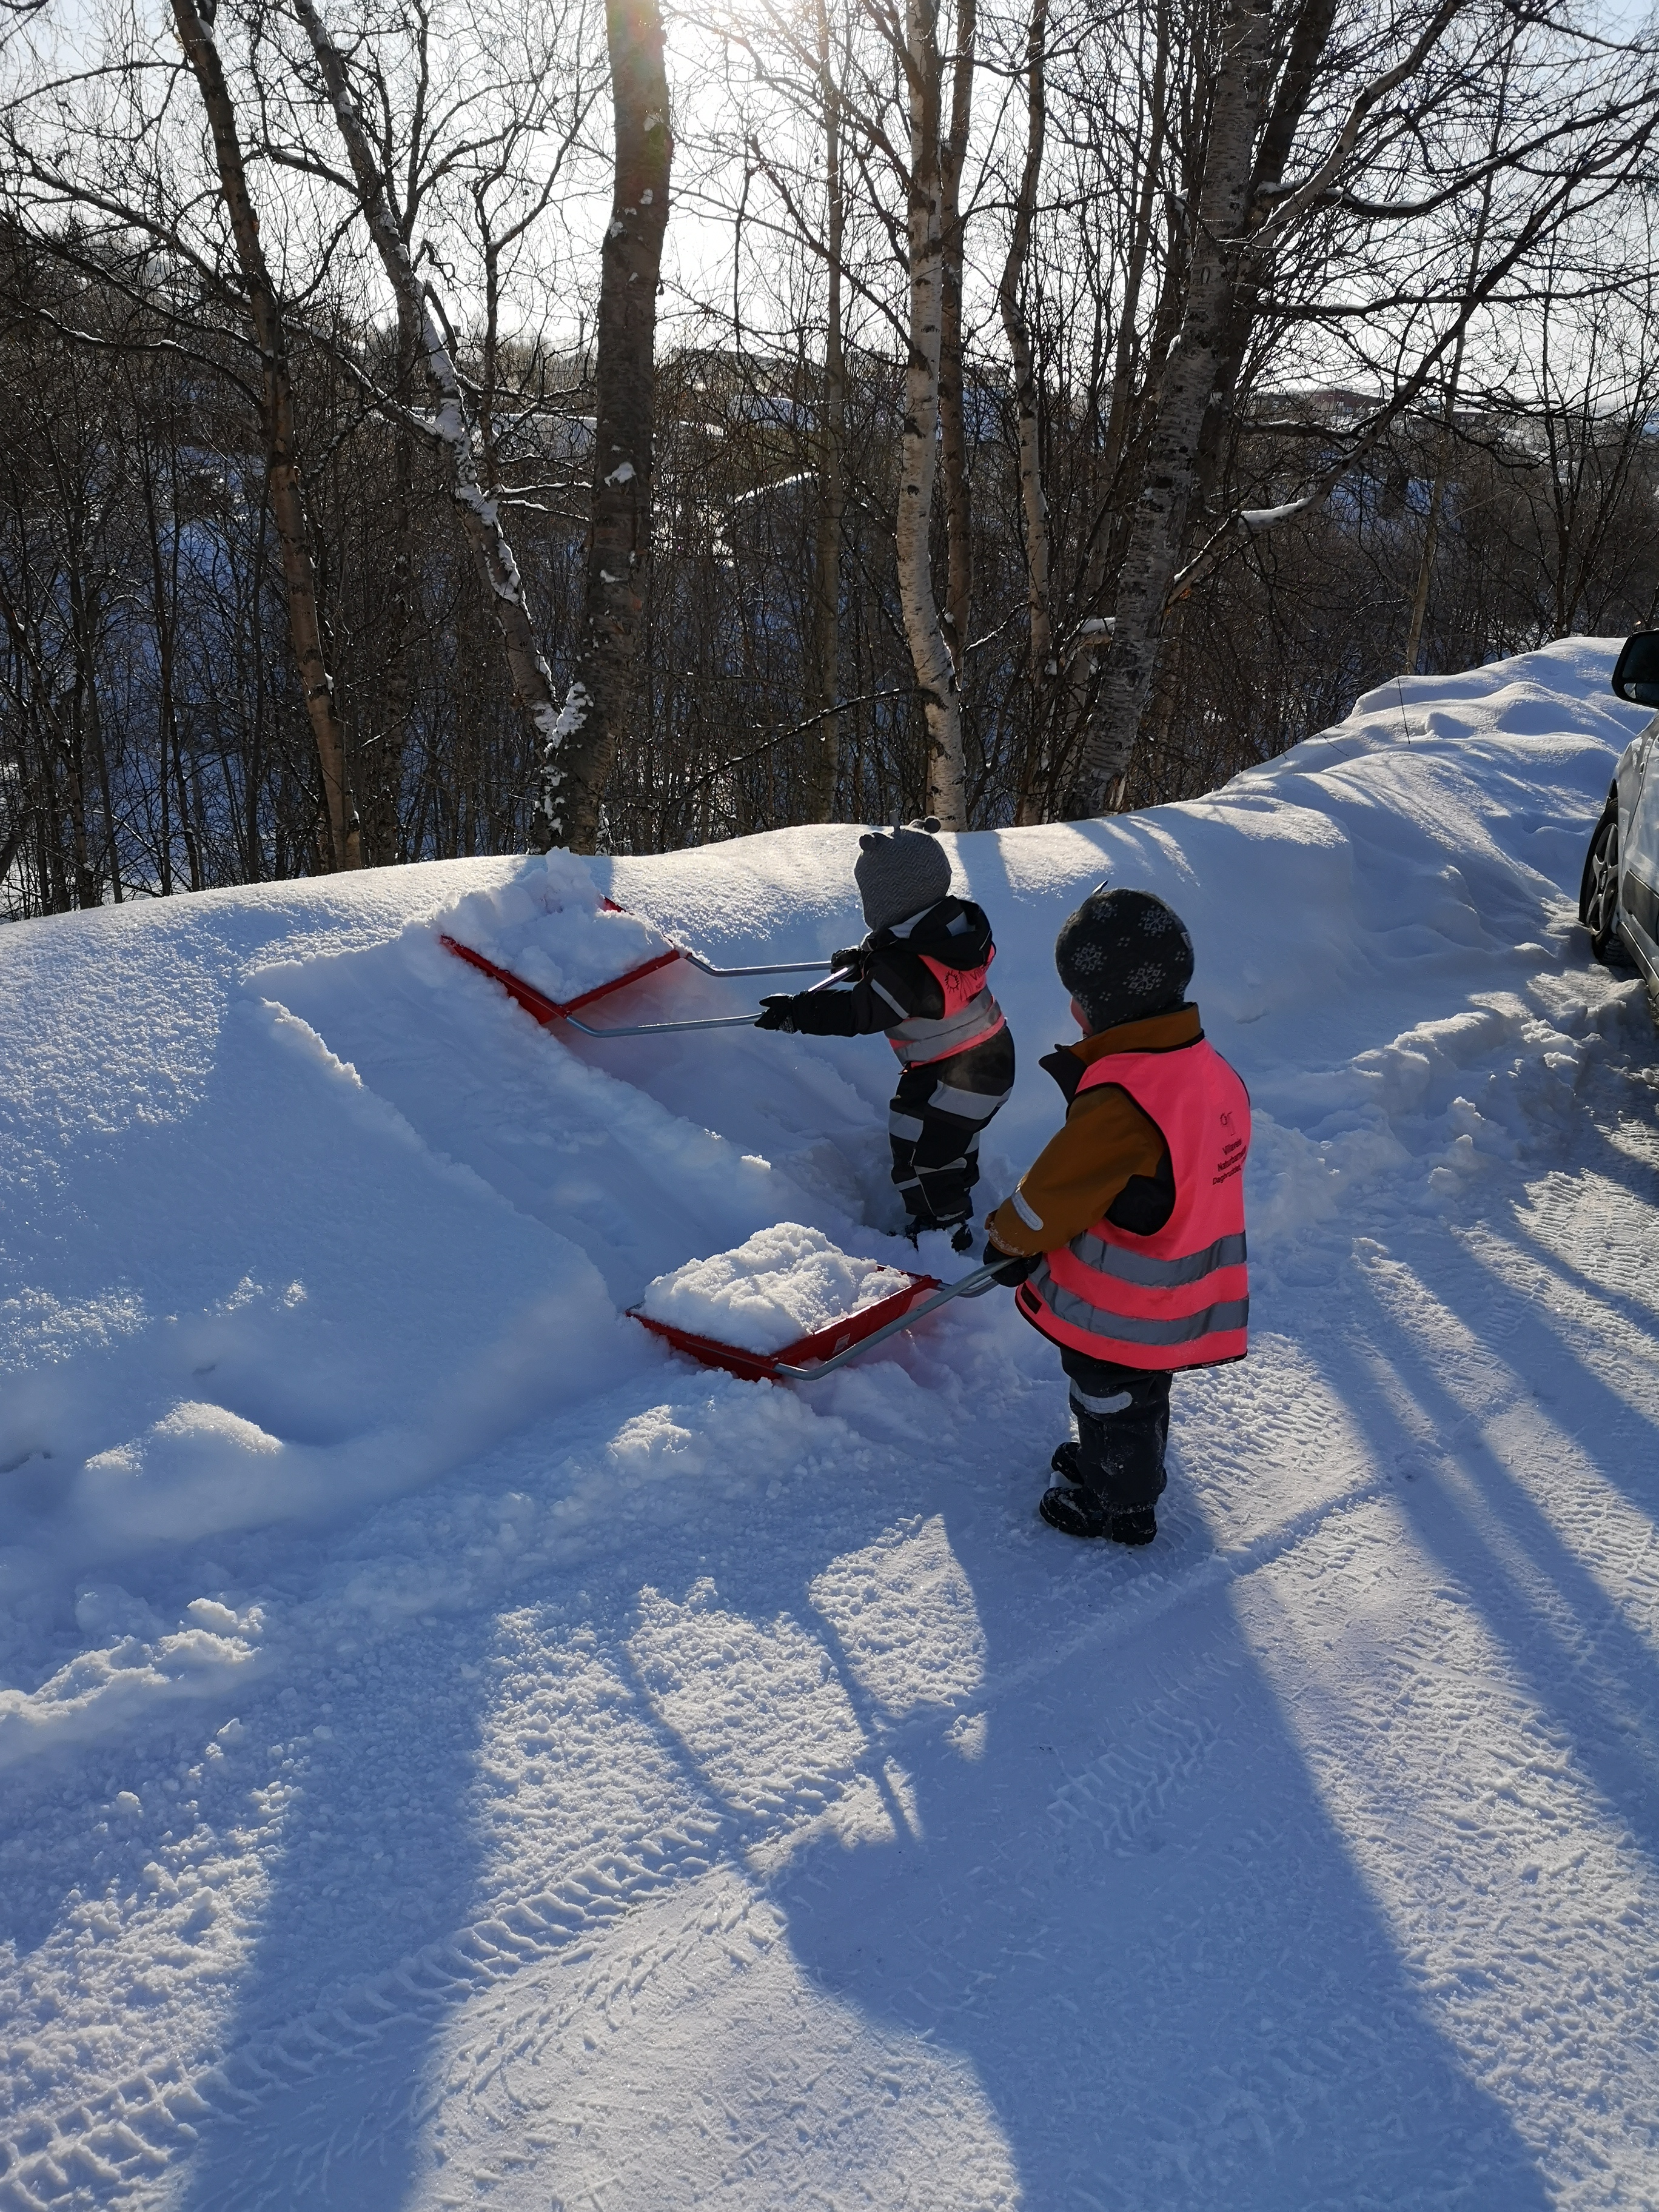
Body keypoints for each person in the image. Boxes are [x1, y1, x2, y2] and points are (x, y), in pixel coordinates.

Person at [983, 885, 1249, 1545]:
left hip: (1126, 1304)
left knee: (1106, 1394)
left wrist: (1009, 1241)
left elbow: (1055, 1193)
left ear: (1094, 1006)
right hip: (1179, 1288)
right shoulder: (1203, 1068)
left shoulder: (1123, 1099)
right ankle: (1126, 1466)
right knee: (1140, 1391)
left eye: (1076, 993)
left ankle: (1120, 1503)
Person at [754, 820, 1015, 1250]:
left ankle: (943, 1229)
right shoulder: (954, 926)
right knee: (947, 1137)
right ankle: (952, 1193)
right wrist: (868, 958)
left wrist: (798, 1012)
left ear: (889, 898)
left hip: (953, 1073)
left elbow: (862, 1011)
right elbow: (912, 957)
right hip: (985, 1058)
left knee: (922, 1148)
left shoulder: (905, 971)